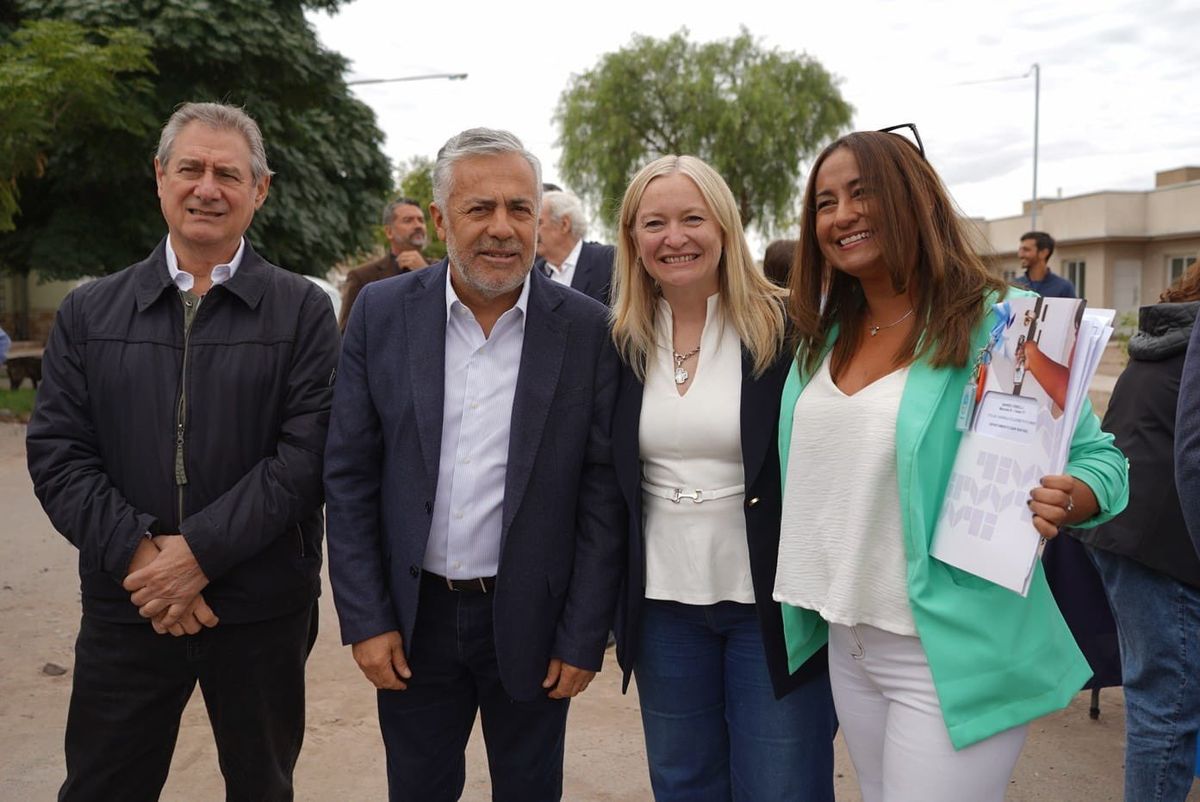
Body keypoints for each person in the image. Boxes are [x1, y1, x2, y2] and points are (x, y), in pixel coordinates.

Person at [772, 128, 1129, 802]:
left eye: (861, 193)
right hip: (848, 641)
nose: (841, 214)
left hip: (946, 651)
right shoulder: (818, 344)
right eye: (824, 202)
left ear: (913, 201)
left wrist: (1074, 493)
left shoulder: (1001, 334)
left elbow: (1101, 459)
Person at [25, 101, 339, 801]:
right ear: (160, 176)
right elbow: (59, 454)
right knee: (102, 785)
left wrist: (197, 555)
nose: (208, 187)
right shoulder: (89, 312)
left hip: (259, 609)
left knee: (262, 785)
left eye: (229, 173)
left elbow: (306, 455)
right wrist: (145, 560)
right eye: (191, 168)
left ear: (260, 190)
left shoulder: (303, 312)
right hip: (128, 601)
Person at [323, 127, 624, 802]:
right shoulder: (381, 312)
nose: (502, 228)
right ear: (439, 220)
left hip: (534, 621)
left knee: (530, 789)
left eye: (520, 209)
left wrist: (583, 635)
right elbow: (348, 475)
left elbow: (601, 494)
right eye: (479, 209)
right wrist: (366, 618)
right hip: (414, 620)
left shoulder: (585, 329)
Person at [608, 155, 836, 801]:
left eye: (691, 218)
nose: (673, 237)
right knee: (683, 783)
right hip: (662, 608)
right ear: (632, 238)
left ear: (726, 228)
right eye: (654, 223)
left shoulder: (789, 328)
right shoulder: (619, 338)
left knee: (782, 786)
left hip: (770, 601)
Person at [1075, 261, 1200, 802]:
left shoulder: (1161, 339)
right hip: (1163, 541)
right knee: (1166, 708)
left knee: (1161, 698)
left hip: (1124, 527)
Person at [339, 196, 431, 331]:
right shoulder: (362, 277)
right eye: (408, 220)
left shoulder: (443, 269)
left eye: (421, 220)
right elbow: (347, 335)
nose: (418, 225)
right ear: (389, 232)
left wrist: (426, 274)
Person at [535, 189, 615, 304]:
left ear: (564, 225)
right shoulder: (534, 275)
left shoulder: (608, 261)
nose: (533, 232)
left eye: (539, 223)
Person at [1013, 230, 1076, 298]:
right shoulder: (1014, 287)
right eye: (1020, 250)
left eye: (1026, 250)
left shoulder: (1064, 287)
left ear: (1044, 253)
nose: (1020, 255)